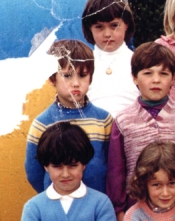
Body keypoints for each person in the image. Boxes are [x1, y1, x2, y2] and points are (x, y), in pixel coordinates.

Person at [106, 42, 175, 221]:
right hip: (137, 208)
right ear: (134, 78)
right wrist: (119, 211)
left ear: (172, 79)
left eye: (163, 74)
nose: (156, 80)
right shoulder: (123, 121)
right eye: (148, 73)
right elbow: (116, 171)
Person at [26, 40, 111, 195]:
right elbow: (33, 172)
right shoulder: (42, 123)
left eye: (82, 75)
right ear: (52, 79)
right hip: (57, 205)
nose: (76, 83)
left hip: (97, 206)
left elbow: (113, 164)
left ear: (90, 78)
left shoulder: (103, 120)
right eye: (67, 76)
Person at [81, 0, 138, 117]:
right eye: (99, 27)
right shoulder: (81, 65)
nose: (107, 34)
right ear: (89, 28)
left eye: (114, 25)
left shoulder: (139, 62)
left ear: (126, 24)